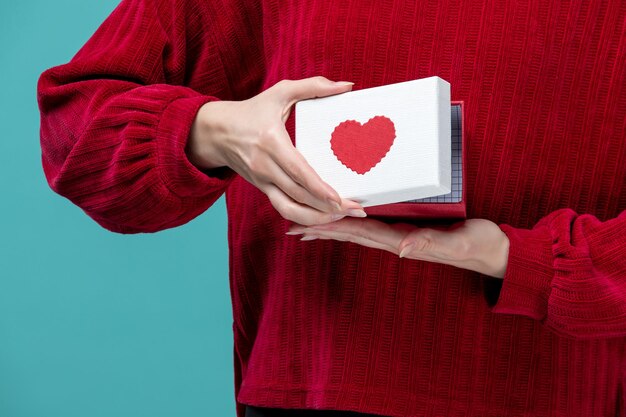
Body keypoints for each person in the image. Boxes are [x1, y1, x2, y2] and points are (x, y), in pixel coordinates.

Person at [37, 0, 626, 416]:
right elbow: (77, 127)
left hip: (558, 390)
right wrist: (213, 130)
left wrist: (526, 260)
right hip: (309, 389)